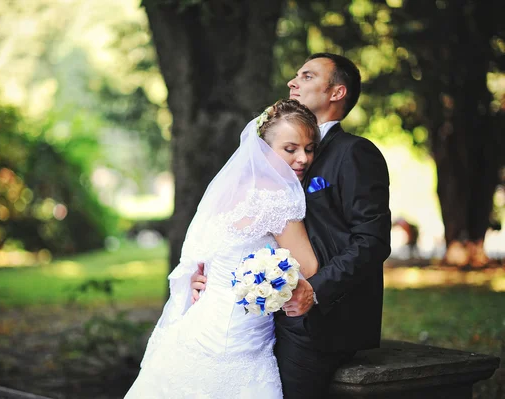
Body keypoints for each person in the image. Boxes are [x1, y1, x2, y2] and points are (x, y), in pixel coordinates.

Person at [192, 53, 392, 398]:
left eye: (308, 75)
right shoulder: (268, 160)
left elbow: (372, 241)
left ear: (336, 93)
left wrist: (315, 291)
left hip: (320, 321)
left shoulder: (355, 153)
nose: (292, 82)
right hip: (261, 316)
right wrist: (216, 277)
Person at [125, 99, 321, 398]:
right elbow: (307, 267)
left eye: (309, 149)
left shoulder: (231, 189)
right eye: (290, 149)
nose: (303, 158)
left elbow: (205, 256)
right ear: (264, 149)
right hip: (239, 337)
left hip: (197, 327)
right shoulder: (279, 197)